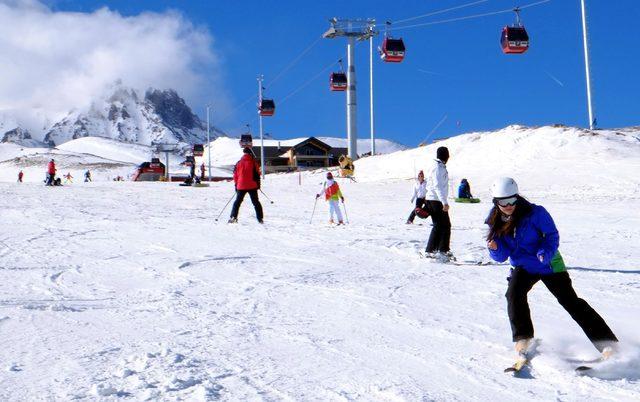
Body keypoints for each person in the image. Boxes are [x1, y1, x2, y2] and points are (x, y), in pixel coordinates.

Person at [486, 177, 618, 357]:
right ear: (496, 202)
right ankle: (523, 338)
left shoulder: (536, 213)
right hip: (524, 266)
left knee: (570, 301)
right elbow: (501, 256)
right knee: (513, 294)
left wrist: (544, 253)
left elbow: (552, 236)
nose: (508, 205)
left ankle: (607, 343)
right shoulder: (495, 221)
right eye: (503, 201)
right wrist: (495, 249)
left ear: (517, 196)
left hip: (548, 264)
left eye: (512, 199)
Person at [423, 146, 452, 258]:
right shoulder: (438, 168)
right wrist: (444, 202)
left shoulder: (440, 166)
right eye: (447, 154)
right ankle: (431, 251)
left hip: (436, 199)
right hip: (435, 200)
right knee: (440, 225)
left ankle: (441, 249)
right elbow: (437, 186)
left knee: (443, 225)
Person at [228, 147, 263, 223]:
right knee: (256, 202)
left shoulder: (238, 163)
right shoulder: (254, 162)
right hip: (252, 185)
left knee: (237, 202)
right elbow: (258, 174)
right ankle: (260, 219)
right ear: (250, 153)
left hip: (241, 186)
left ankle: (233, 217)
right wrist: (258, 185)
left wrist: (236, 185)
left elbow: (235, 175)